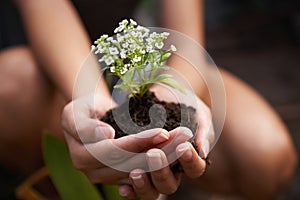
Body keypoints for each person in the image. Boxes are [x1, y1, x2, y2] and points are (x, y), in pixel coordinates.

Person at [0, 0, 297, 199]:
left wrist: (178, 91)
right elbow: (47, 9)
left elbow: (186, 43)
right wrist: (94, 105)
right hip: (49, 63)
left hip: (136, 58)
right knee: (13, 86)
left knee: (262, 152)